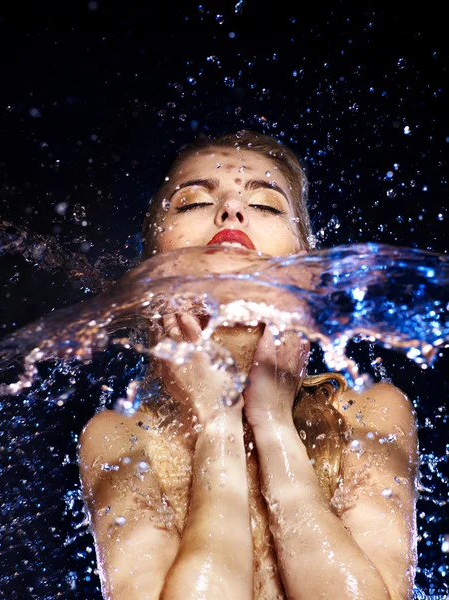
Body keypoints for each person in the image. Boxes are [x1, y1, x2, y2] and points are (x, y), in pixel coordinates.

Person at [78, 131, 419, 600]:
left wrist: (274, 424)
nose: (231, 211)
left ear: (307, 267)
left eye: (268, 205)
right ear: (150, 264)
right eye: (192, 202)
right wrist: (218, 422)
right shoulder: (119, 439)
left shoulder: (366, 416)